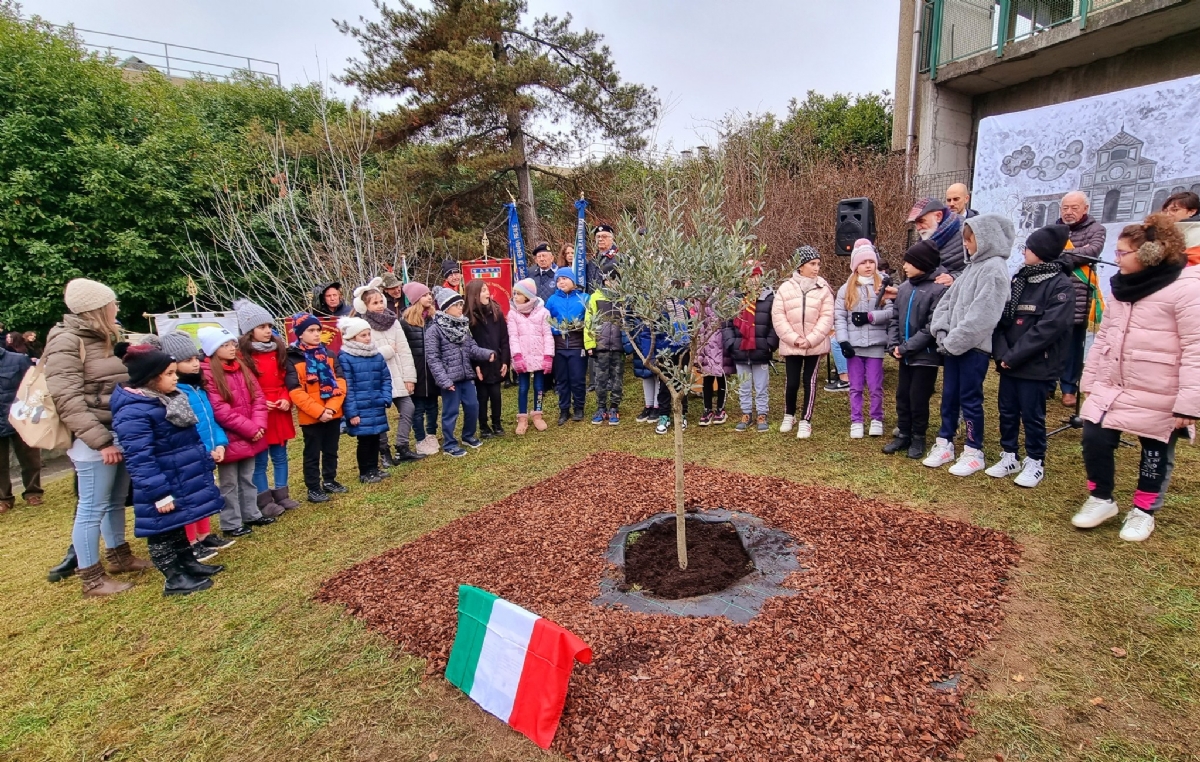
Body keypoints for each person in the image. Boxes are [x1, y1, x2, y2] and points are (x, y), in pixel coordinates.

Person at [1071, 214, 1199, 541]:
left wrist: (1188, 404)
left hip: (1161, 390)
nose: (1116, 259)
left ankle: (1143, 511)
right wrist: (1091, 381)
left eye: (1122, 253)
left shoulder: (1186, 289)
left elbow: (1195, 347)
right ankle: (1101, 498)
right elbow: (1104, 339)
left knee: (1155, 451)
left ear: (1149, 255)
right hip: (1113, 387)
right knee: (1094, 437)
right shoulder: (1120, 289)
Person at [44, 278, 150, 596]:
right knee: (92, 506)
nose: (116, 308)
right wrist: (101, 441)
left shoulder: (105, 337)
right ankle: (91, 577)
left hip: (117, 430)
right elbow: (67, 399)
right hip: (93, 440)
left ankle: (119, 555)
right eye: (112, 303)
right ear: (98, 308)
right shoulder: (66, 341)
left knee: (115, 499)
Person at [110, 345, 226, 595]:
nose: (176, 378)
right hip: (160, 484)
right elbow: (140, 459)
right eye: (170, 374)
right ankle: (173, 578)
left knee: (177, 524)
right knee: (162, 532)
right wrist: (159, 493)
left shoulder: (169, 400)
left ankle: (188, 564)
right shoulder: (134, 412)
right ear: (151, 378)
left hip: (179, 475)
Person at [986, 225, 1075, 488]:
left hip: (1036, 363)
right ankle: (1009, 455)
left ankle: (1035, 460)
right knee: (1007, 411)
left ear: (1041, 252)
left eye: (1029, 247)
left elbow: (1048, 329)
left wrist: (1014, 356)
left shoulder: (1061, 285)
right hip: (1008, 361)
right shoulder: (1019, 280)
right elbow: (1003, 319)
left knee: (1032, 415)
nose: (1024, 252)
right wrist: (1001, 353)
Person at [926, 213, 1015, 476]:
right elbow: (946, 303)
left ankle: (973, 449)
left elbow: (984, 314)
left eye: (970, 239)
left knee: (970, 399)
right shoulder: (971, 269)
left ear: (986, 238)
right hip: (952, 346)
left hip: (973, 348)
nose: (965, 244)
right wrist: (941, 332)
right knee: (949, 396)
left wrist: (956, 340)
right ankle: (945, 441)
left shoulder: (995, 269)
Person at [157, 331, 236, 560]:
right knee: (189, 498)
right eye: (187, 361)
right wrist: (204, 449)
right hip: (192, 454)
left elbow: (211, 422)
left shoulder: (199, 389)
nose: (195, 364)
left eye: (195, 359)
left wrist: (220, 443)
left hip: (208, 452)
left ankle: (205, 535)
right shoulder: (175, 394)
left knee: (204, 493)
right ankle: (191, 542)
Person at [200, 327, 275, 536]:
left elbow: (258, 397)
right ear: (213, 350)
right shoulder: (208, 374)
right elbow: (220, 410)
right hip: (230, 436)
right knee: (229, 482)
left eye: (232, 344)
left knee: (247, 476)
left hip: (251, 432)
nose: (232, 348)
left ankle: (251, 513)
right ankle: (231, 522)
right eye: (225, 345)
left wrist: (258, 425)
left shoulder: (241, 367)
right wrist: (250, 429)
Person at [234, 299, 299, 513]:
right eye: (262, 327)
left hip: (279, 409)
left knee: (280, 455)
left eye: (270, 326)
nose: (267, 331)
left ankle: (282, 493)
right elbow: (244, 385)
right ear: (249, 331)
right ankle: (264, 499)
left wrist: (285, 398)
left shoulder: (278, 349)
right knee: (260, 459)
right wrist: (261, 402)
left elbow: (283, 378)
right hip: (259, 411)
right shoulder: (242, 356)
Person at [884, 240, 948, 459]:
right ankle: (903, 434)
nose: (904, 266)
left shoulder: (938, 290)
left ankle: (918, 437)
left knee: (918, 397)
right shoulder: (904, 288)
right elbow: (894, 318)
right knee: (903, 396)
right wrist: (894, 346)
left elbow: (932, 327)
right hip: (904, 356)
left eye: (909, 262)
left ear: (922, 263)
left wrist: (906, 347)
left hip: (925, 357)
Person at [771, 246, 834, 440]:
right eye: (812, 264)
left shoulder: (823, 289)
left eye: (818, 264)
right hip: (793, 345)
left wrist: (811, 339)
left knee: (810, 381)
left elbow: (827, 317)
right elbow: (778, 317)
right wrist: (794, 338)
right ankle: (789, 415)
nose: (816, 268)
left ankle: (806, 420)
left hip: (814, 345)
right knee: (792, 382)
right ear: (800, 266)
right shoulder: (785, 288)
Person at [355, 280, 421, 463]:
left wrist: (409, 378)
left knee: (409, 408)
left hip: (397, 373)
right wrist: (387, 350)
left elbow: (404, 349)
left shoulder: (394, 322)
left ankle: (403, 446)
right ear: (366, 306)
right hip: (376, 377)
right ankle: (384, 451)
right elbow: (365, 353)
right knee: (380, 415)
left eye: (381, 301)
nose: (379, 305)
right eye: (374, 303)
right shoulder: (361, 326)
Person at [285, 312, 348, 503]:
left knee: (331, 449)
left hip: (332, 412)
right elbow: (295, 390)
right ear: (300, 334)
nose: (316, 334)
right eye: (311, 330)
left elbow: (340, 383)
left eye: (318, 330)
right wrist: (319, 412)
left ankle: (330, 479)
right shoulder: (292, 358)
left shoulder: (329, 354)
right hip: (311, 416)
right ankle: (313, 487)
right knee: (312, 452)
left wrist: (331, 409)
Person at [834, 239, 893, 439]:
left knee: (876, 385)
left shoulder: (883, 285)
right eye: (863, 262)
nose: (868, 266)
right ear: (855, 265)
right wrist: (843, 341)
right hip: (854, 346)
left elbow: (891, 312)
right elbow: (840, 317)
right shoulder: (846, 289)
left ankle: (876, 418)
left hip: (875, 345)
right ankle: (856, 420)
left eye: (871, 261)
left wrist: (870, 317)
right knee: (855, 386)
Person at [425, 287, 494, 457]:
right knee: (451, 412)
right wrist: (445, 381)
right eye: (456, 305)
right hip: (450, 380)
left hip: (466, 376)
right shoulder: (434, 330)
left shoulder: (463, 326)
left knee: (472, 406)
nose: (460, 308)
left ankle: (468, 435)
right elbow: (433, 358)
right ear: (445, 308)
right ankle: (449, 444)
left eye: (461, 304)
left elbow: (471, 348)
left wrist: (487, 353)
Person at [1055, 191, 1108, 408]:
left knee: (1074, 344)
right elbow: (1044, 252)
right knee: (1050, 340)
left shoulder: (1096, 230)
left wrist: (1062, 257)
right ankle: (1048, 384)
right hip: (1054, 291)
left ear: (1085, 209)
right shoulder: (1054, 229)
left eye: (1074, 208)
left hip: (1079, 293)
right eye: (1065, 208)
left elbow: (1092, 251)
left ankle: (1069, 387)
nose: (1068, 212)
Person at [337, 316, 393, 483]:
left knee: (376, 437)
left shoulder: (376, 355)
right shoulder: (346, 357)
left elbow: (385, 378)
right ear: (353, 337)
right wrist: (351, 412)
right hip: (360, 407)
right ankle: (365, 471)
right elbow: (348, 387)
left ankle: (374, 468)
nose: (368, 338)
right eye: (363, 335)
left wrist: (385, 397)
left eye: (369, 334)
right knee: (365, 441)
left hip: (376, 404)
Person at [723, 260, 777, 433]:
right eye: (749, 277)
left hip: (760, 349)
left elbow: (775, 324)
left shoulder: (769, 299)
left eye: (756, 276)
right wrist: (731, 344)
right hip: (740, 350)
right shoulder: (735, 300)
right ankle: (746, 413)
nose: (753, 281)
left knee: (761, 385)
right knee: (744, 386)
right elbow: (726, 324)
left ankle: (762, 413)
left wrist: (769, 344)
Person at [0, 338, 42, 513]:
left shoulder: (17, 360)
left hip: (19, 416)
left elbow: (33, 386)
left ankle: (33, 492)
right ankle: (4, 498)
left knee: (30, 457)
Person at [507, 278, 554, 434]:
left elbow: (547, 335)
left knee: (539, 387)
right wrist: (517, 356)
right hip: (523, 358)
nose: (515, 296)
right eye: (514, 293)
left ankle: (538, 414)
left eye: (518, 294)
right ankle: (522, 419)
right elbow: (512, 336)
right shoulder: (512, 314)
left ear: (527, 296)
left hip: (539, 357)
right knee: (523, 388)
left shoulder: (543, 313)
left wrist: (548, 356)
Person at [465, 279, 510, 437]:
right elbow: (468, 346)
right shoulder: (468, 318)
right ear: (474, 295)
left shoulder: (496, 311)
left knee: (496, 394)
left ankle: (497, 423)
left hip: (496, 361)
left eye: (487, 290)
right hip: (479, 364)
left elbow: (504, 339)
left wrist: (505, 361)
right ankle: (483, 426)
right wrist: (475, 365)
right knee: (482, 396)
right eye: (483, 290)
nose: (487, 293)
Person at [545, 267, 590, 425]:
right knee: (562, 380)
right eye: (558, 280)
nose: (561, 282)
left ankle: (579, 407)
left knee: (577, 378)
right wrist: (556, 329)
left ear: (572, 280)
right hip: (559, 346)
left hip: (578, 345)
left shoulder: (584, 297)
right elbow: (545, 321)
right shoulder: (552, 300)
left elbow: (591, 321)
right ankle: (564, 410)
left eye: (564, 278)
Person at [401, 282, 440, 456]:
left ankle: (431, 434)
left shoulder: (434, 319)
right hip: (416, 370)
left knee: (432, 404)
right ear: (416, 299)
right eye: (425, 295)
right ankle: (420, 438)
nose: (429, 297)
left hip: (432, 370)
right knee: (418, 408)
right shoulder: (405, 322)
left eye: (430, 294)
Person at [584, 270, 625, 425]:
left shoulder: (623, 298)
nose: (611, 282)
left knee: (617, 378)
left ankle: (614, 407)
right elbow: (589, 321)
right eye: (608, 279)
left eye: (615, 279)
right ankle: (601, 407)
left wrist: (627, 345)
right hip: (600, 346)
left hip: (618, 347)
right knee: (600, 379)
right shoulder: (595, 297)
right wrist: (590, 344)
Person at [652, 296, 691, 435]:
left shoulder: (683, 305)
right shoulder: (658, 306)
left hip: (682, 350)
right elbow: (650, 332)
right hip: (664, 351)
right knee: (664, 385)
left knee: (682, 383)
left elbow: (691, 325)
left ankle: (682, 413)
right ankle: (664, 416)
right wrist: (651, 356)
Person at [908, 197, 966, 281]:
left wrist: (955, 278)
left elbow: (979, 269)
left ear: (938, 216)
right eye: (915, 223)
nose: (918, 228)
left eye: (921, 221)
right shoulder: (924, 242)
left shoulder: (966, 232)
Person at [697, 299, 732, 427]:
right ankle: (707, 409)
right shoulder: (701, 297)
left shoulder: (724, 294)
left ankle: (720, 408)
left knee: (721, 376)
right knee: (707, 378)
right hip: (706, 343)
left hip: (721, 342)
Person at [625, 318, 661, 424]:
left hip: (656, 339)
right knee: (645, 374)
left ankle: (657, 406)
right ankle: (648, 405)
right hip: (639, 340)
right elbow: (627, 318)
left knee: (658, 374)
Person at [1162, 191, 1200, 267]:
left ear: (1192, 211)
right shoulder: (1160, 231)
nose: (1168, 214)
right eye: (1166, 211)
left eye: (1175, 210)